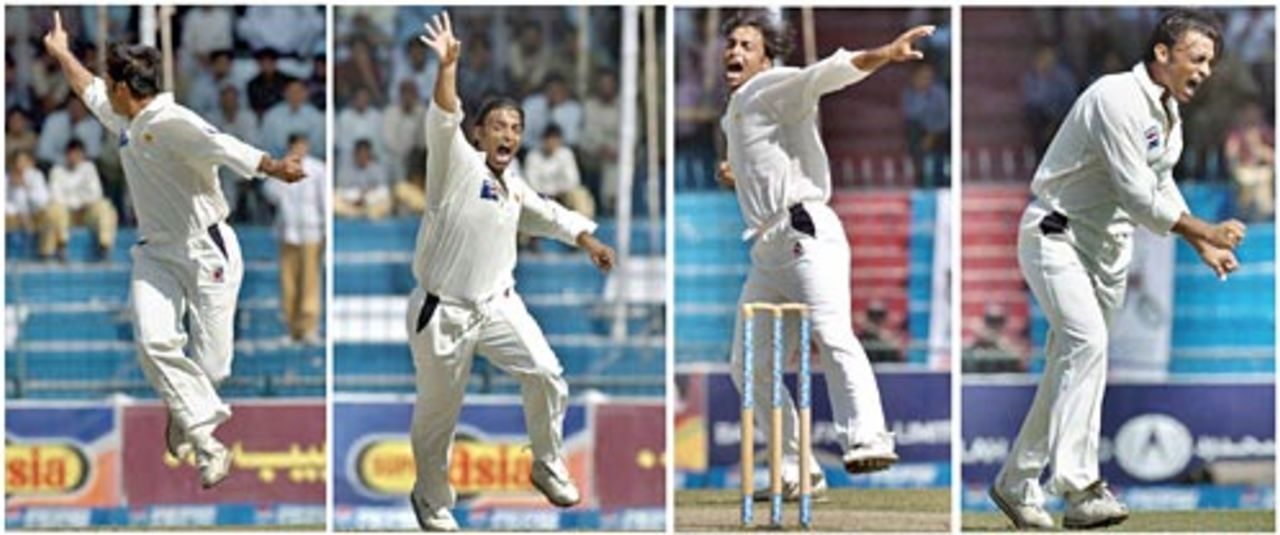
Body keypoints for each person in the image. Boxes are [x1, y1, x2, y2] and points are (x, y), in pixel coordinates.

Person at [989, 10, 1244, 530]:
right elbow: (1135, 194)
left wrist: (1201, 245)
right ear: (1162, 53)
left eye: (1210, 63)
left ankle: (1016, 482)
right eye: (1197, 58)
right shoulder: (1115, 97)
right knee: (1087, 346)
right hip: (1057, 235)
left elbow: (1159, 183)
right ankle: (1080, 489)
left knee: (1069, 364)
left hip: (1108, 248)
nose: (1205, 71)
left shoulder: (1167, 110)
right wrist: (1206, 228)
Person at [42, 11, 304, 488]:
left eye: (111, 83)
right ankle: (208, 444)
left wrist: (275, 166)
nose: (105, 89)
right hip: (155, 253)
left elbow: (222, 145)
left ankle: (184, 413)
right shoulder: (125, 116)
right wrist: (61, 53)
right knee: (152, 341)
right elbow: (88, 89)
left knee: (214, 368)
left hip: (206, 248)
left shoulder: (172, 121)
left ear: (126, 87)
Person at [406, 13, 616, 532]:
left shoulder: (514, 186)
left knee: (545, 372)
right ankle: (431, 498)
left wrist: (589, 240)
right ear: (478, 134)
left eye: (516, 128)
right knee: (438, 417)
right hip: (443, 312)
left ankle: (546, 463)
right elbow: (445, 115)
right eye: (498, 126)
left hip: (497, 305)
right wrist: (448, 67)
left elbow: (552, 215)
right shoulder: (456, 164)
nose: (509, 135)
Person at [715, 9, 933, 500]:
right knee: (747, 365)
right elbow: (768, 159)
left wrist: (885, 54)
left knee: (831, 332)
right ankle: (799, 470)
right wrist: (738, 174)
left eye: (747, 45)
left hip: (803, 231)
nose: (735, 51)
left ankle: (868, 437)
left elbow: (826, 74)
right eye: (731, 44)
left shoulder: (771, 84)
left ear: (766, 59)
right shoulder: (737, 108)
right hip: (766, 249)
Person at [262, 134, 325, 345]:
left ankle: (309, 327)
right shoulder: (281, 166)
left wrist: (325, 228)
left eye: (302, 145)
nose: (299, 149)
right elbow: (269, 193)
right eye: (295, 146)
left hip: (312, 230)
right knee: (288, 281)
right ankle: (291, 327)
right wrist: (282, 173)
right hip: (287, 230)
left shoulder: (318, 168)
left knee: (310, 280)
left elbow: (323, 198)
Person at [46, 138, 117, 261]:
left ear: (83, 155)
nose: (74, 157)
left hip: (87, 213)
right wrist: (77, 203)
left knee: (105, 206)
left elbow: (96, 194)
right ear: (66, 155)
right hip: (66, 215)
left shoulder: (89, 168)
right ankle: (61, 246)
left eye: (78, 153)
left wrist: (79, 203)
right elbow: (55, 196)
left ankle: (104, 246)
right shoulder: (57, 171)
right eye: (71, 153)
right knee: (55, 208)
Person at [524, 123, 595, 219]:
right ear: (543, 140)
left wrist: (558, 192)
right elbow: (531, 184)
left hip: (562, 195)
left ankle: (583, 224)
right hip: (540, 197)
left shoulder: (566, 154)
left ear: (560, 141)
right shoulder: (533, 156)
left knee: (580, 194)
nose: (551, 143)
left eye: (555, 139)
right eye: (549, 139)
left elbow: (573, 181)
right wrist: (548, 193)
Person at [6, 150, 53, 259]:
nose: (20, 165)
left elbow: (42, 201)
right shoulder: (6, 178)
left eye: (24, 162)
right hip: (15, 216)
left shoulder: (37, 176)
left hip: (35, 215)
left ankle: (45, 253)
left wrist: (25, 186)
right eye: (18, 162)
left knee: (49, 216)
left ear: (29, 163)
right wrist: (17, 212)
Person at [333, 139, 392, 219]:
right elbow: (340, 191)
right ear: (355, 154)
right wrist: (357, 196)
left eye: (365, 154)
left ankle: (367, 216)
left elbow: (384, 191)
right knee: (334, 199)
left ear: (369, 155)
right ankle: (356, 215)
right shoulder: (345, 170)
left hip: (372, 204)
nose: (362, 157)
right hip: (351, 204)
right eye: (360, 154)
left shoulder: (377, 169)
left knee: (387, 202)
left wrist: (366, 198)